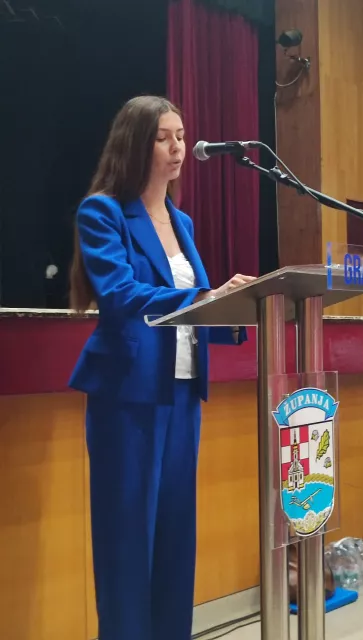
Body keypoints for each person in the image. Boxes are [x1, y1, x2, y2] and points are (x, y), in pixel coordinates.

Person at [69, 95, 255, 640]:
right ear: (135, 144)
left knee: (175, 536)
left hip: (181, 393)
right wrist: (206, 296)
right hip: (129, 397)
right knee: (128, 540)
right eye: (163, 138)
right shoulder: (103, 212)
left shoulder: (182, 221)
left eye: (181, 136)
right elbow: (122, 294)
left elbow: (191, 309)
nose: (178, 148)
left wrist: (239, 311)